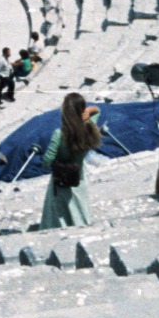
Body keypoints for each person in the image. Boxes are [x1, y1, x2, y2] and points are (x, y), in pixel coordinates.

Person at [40, 92, 102, 229]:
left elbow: (47, 161)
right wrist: (89, 110)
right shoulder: (89, 127)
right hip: (79, 176)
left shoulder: (59, 133)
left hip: (61, 178)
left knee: (58, 215)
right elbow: (98, 110)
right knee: (80, 210)